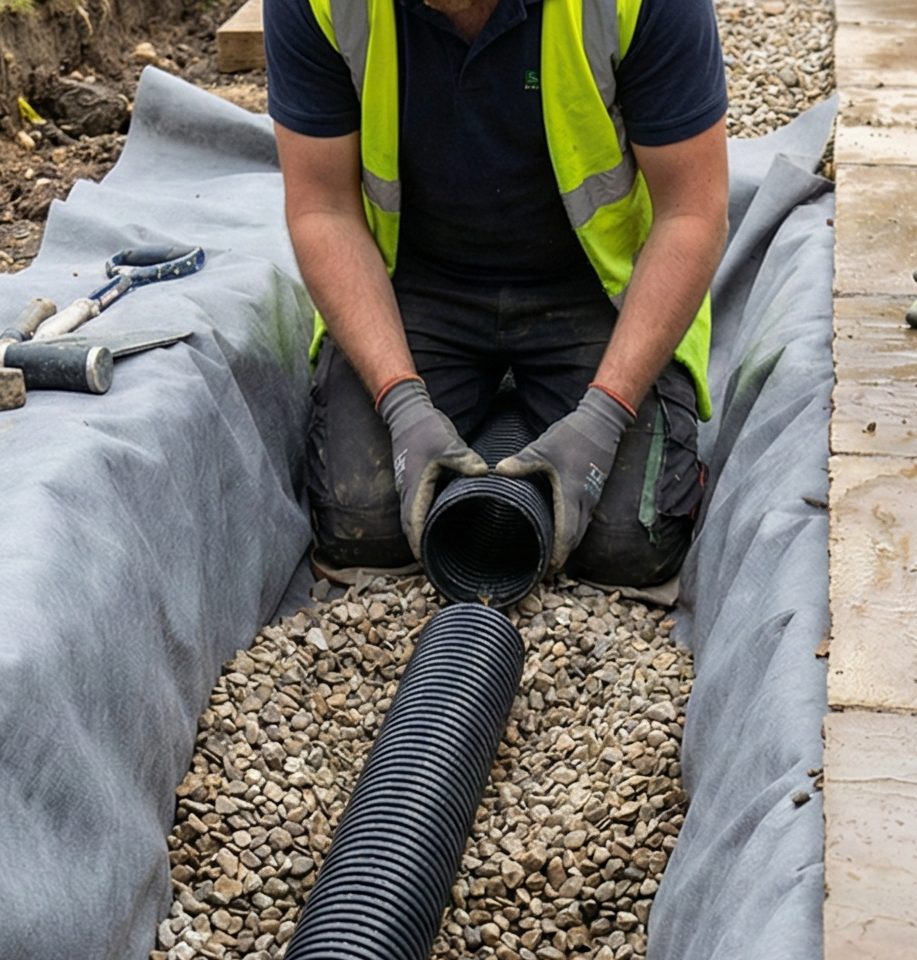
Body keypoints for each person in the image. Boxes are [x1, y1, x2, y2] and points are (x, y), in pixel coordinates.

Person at [264, 0, 729, 589]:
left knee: (628, 542)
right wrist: (401, 402)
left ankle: (527, 404)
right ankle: (497, 403)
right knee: (364, 526)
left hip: (595, 290)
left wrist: (605, 413)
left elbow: (692, 213)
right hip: (417, 287)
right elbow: (322, 208)